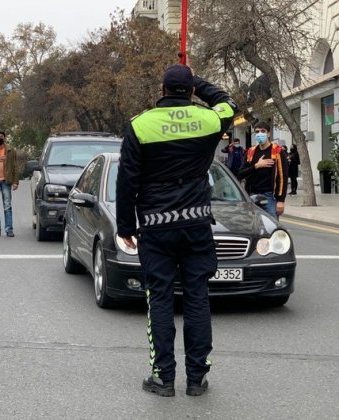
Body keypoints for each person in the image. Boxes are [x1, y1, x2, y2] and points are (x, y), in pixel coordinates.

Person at [116, 63, 237, 397]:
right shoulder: (210, 120)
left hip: (156, 227)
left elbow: (127, 179)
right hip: (196, 223)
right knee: (197, 298)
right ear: (190, 90)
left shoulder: (140, 125)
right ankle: (197, 379)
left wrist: (126, 225)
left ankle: (163, 377)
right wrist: (199, 82)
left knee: (160, 298)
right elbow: (228, 103)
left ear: (161, 89)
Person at [237, 121, 289, 219]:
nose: (260, 134)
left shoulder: (277, 151)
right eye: (257, 132)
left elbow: (283, 177)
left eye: (263, 131)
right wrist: (256, 166)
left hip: (269, 196)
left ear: (268, 133)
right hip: (251, 196)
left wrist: (281, 200)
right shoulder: (250, 152)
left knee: (272, 225)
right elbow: (240, 174)